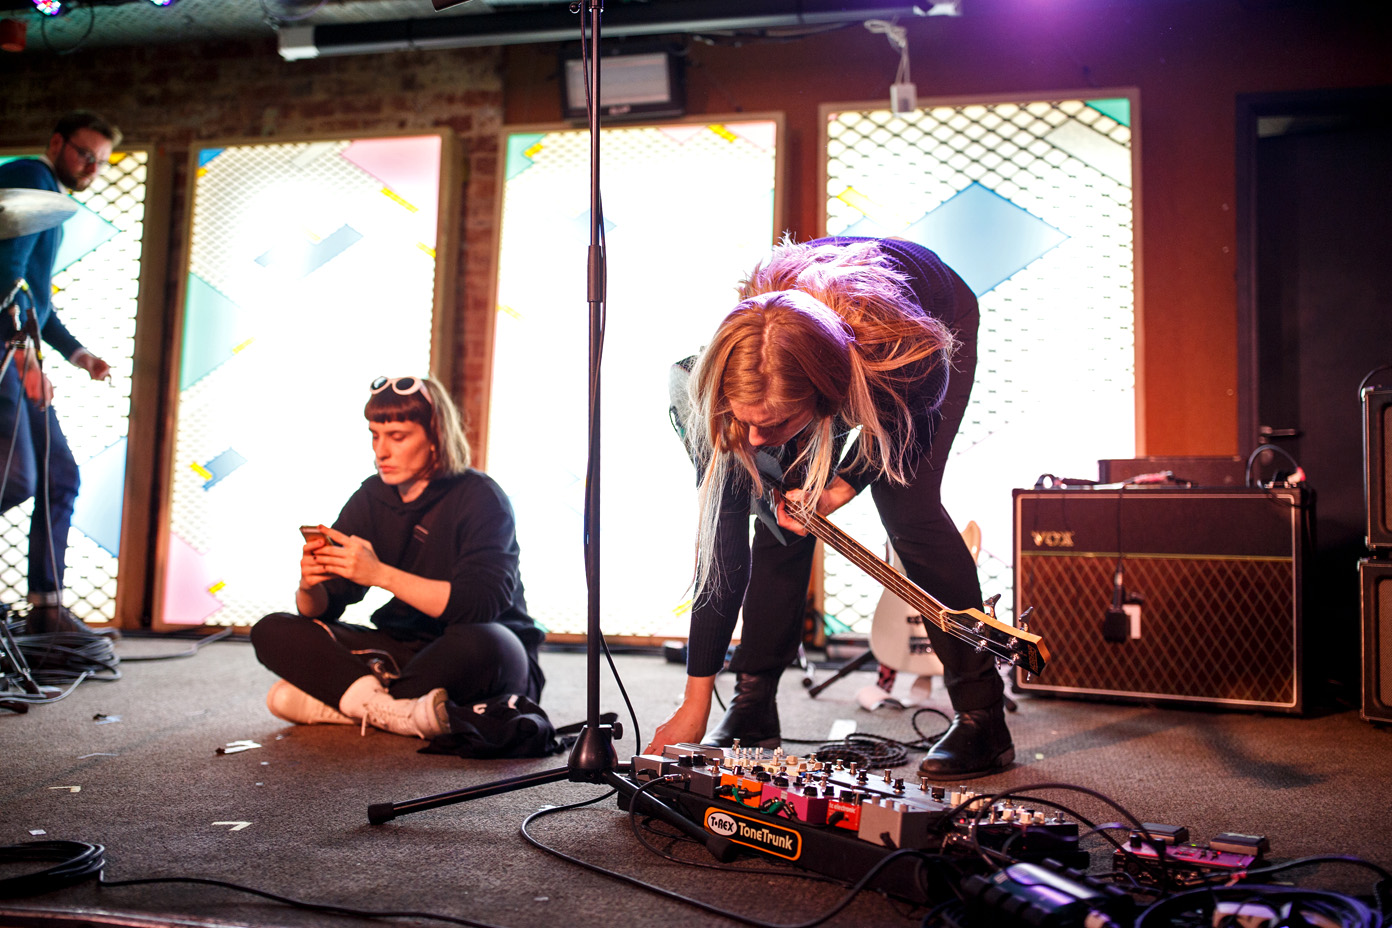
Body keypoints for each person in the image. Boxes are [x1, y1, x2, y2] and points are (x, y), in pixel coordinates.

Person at [646, 236, 1012, 780]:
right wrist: (695, 702)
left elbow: (895, 438)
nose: (752, 435)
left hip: (928, 320)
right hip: (817, 343)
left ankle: (983, 718)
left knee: (906, 504)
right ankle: (752, 704)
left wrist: (839, 486)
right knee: (779, 515)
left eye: (768, 425)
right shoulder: (730, 381)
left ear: (824, 397)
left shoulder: (905, 354)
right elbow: (720, 553)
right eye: (743, 418)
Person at [250, 376, 545, 740]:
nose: (381, 452)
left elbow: (478, 606)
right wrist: (310, 585)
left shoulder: (480, 497)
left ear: (436, 436)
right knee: (271, 629)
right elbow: (324, 608)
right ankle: (401, 710)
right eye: (375, 435)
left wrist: (380, 574)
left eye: (398, 437)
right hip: (405, 653)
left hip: (483, 653)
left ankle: (352, 703)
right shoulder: (373, 495)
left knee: (486, 641)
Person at [0, 111, 119, 635]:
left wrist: (77, 354)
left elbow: (35, 301)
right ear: (56, 143)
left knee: (59, 475)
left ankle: (46, 608)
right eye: (84, 154)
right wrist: (25, 360)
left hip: (18, 346)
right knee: (19, 476)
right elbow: (4, 279)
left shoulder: (51, 194)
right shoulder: (31, 177)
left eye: (99, 161)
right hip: (4, 351)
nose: (91, 167)